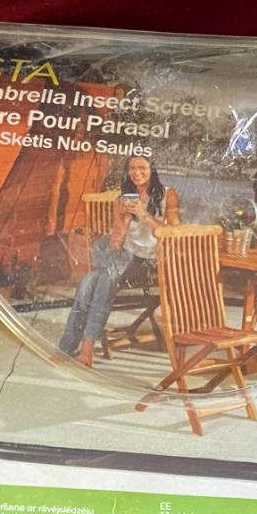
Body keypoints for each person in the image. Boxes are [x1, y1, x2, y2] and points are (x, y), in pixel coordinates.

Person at [58, 152, 166, 366]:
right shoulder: (122, 200)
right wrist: (124, 221)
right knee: (88, 281)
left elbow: (171, 230)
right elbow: (116, 246)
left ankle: (84, 347)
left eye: (142, 168)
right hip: (123, 259)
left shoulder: (167, 195)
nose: (136, 173)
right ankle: (71, 347)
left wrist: (143, 215)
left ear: (152, 170)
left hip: (149, 261)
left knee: (101, 279)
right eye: (132, 168)